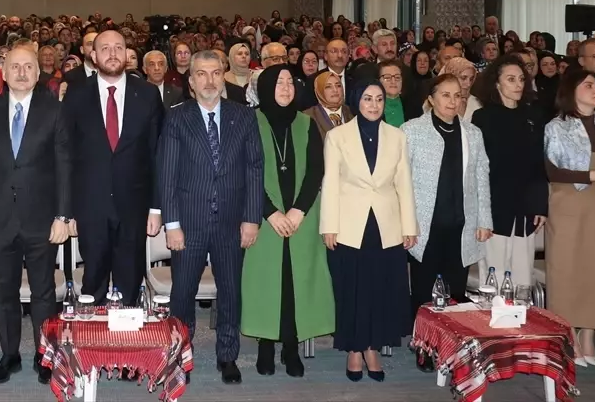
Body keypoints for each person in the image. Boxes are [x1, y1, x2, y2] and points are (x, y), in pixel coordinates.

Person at [158, 50, 262, 384]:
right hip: (188, 224)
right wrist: (172, 224)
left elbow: (254, 169)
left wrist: (252, 218)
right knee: (182, 294)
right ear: (191, 81)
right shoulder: (177, 118)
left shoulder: (243, 116)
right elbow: (167, 174)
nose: (209, 80)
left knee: (230, 292)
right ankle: (180, 355)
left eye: (215, 73)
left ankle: (228, 356)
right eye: (201, 74)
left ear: (224, 77)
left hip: (231, 222)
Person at [0, 45, 72, 385]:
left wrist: (63, 216)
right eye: (15, 66)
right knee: (5, 291)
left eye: (28, 66)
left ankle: (45, 356)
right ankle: (9, 355)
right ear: (4, 71)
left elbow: (65, 166)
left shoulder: (54, 110)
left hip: (42, 219)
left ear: (38, 72)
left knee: (44, 292)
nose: (22, 72)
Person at [320, 79, 417, 382]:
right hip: (349, 224)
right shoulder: (337, 136)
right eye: (367, 99)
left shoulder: (397, 136)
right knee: (352, 288)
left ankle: (372, 347)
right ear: (356, 101)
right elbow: (330, 183)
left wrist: (409, 226)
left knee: (380, 289)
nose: (374, 105)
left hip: (386, 224)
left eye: (378, 99)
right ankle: (354, 348)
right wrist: (329, 226)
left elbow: (404, 183)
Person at [240, 67, 334, 378]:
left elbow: (316, 171)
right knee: (267, 282)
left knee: (296, 282)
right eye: (278, 82)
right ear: (266, 87)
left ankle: (291, 346)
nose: (285, 88)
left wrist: (298, 211)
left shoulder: (306, 123)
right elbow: (245, 172)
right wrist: (270, 212)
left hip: (300, 218)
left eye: (289, 82)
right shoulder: (250, 121)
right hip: (263, 217)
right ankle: (266, 345)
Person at [65, 29, 163, 308]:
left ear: (127, 54)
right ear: (93, 55)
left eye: (118, 47)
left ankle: (127, 335)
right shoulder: (76, 94)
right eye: (105, 48)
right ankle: (94, 334)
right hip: (90, 206)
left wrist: (156, 208)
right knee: (93, 281)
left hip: (134, 206)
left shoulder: (147, 94)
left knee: (130, 281)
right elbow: (67, 155)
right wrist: (68, 210)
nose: (112, 53)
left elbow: (157, 154)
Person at [543, 68, 595, 367]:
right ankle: (569, 334)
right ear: (571, 90)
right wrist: (593, 175)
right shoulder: (556, 127)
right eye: (588, 85)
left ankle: (588, 334)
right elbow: (552, 171)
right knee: (566, 269)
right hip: (568, 205)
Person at [402, 77, 493, 325]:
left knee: (455, 293)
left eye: (457, 95)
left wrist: (484, 220)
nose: (453, 101)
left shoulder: (472, 133)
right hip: (425, 226)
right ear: (431, 99)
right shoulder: (411, 131)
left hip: (461, 225)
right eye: (445, 95)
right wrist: (406, 223)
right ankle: (423, 340)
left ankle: (452, 341)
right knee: (423, 292)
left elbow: (481, 177)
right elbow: (401, 181)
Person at [470, 55, 548, 289]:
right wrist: (481, 211)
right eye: (511, 79)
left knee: (523, 276)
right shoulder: (483, 118)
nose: (518, 85)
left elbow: (539, 164)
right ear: (497, 83)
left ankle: (521, 313)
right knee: (494, 275)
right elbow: (478, 168)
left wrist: (540, 205)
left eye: (521, 79)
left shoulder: (533, 116)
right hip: (495, 206)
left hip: (526, 206)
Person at [378, 61, 408, 127]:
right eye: (387, 77)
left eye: (397, 77)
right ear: (378, 81)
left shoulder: (412, 104)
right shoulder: (373, 106)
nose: (393, 81)